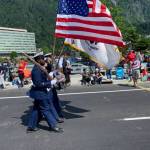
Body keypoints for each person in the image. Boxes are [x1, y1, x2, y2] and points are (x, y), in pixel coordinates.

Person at [27, 52, 63, 133]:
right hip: (40, 93)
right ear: (39, 60)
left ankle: (31, 126)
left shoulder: (40, 68)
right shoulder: (36, 70)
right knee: (46, 109)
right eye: (43, 58)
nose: (44, 60)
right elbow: (38, 84)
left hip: (41, 92)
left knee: (36, 109)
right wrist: (50, 83)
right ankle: (53, 126)